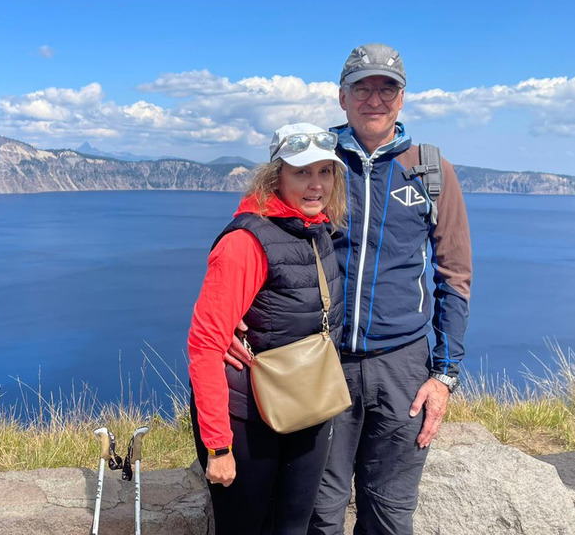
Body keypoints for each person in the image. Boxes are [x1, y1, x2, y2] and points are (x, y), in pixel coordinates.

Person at [226, 43, 473, 534]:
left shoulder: (430, 171)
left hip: (402, 364)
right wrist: (234, 313)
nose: (374, 98)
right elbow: (253, 231)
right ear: (342, 96)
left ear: (402, 98)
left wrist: (443, 378)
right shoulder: (317, 161)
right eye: (363, 87)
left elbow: (454, 276)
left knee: (390, 511)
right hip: (321, 360)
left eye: (387, 88)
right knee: (318, 507)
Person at [187, 122, 348, 535]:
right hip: (246, 420)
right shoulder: (246, 241)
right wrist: (218, 447)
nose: (316, 185)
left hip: (305, 405)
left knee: (292, 526)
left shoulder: (317, 231)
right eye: (301, 172)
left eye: (325, 171)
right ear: (275, 176)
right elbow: (205, 345)